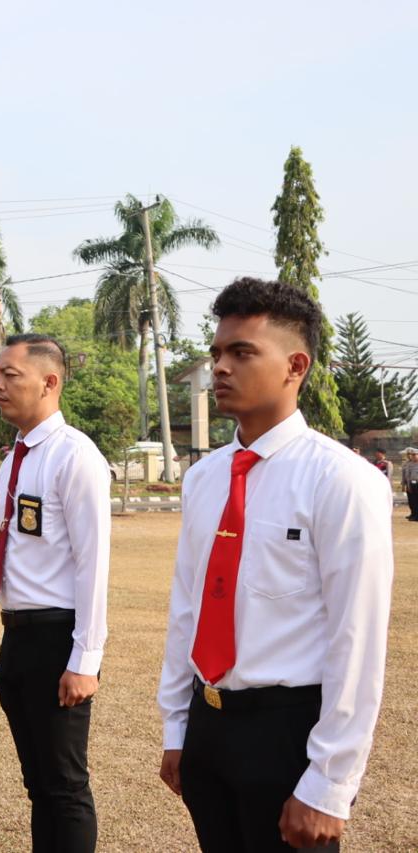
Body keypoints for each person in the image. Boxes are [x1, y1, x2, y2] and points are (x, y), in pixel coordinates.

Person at [157, 278, 394, 852]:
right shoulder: (205, 477)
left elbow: (356, 638)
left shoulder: (341, 480)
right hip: (210, 719)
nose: (220, 367)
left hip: (286, 731)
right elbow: (188, 604)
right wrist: (178, 726)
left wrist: (330, 782)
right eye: (217, 353)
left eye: (242, 353)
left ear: (295, 366)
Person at [0, 333, 110, 852]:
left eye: (10, 375)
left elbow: (94, 561)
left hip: (59, 637)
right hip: (17, 636)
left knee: (64, 786)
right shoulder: (13, 458)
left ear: (49, 381)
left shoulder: (74, 456)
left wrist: (86, 658)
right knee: (38, 784)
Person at [402, 447, 418, 521]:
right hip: (412, 483)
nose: (413, 456)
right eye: (412, 455)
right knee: (413, 500)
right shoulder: (410, 464)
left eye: (415, 455)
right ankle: (414, 514)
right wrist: (406, 484)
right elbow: (407, 475)